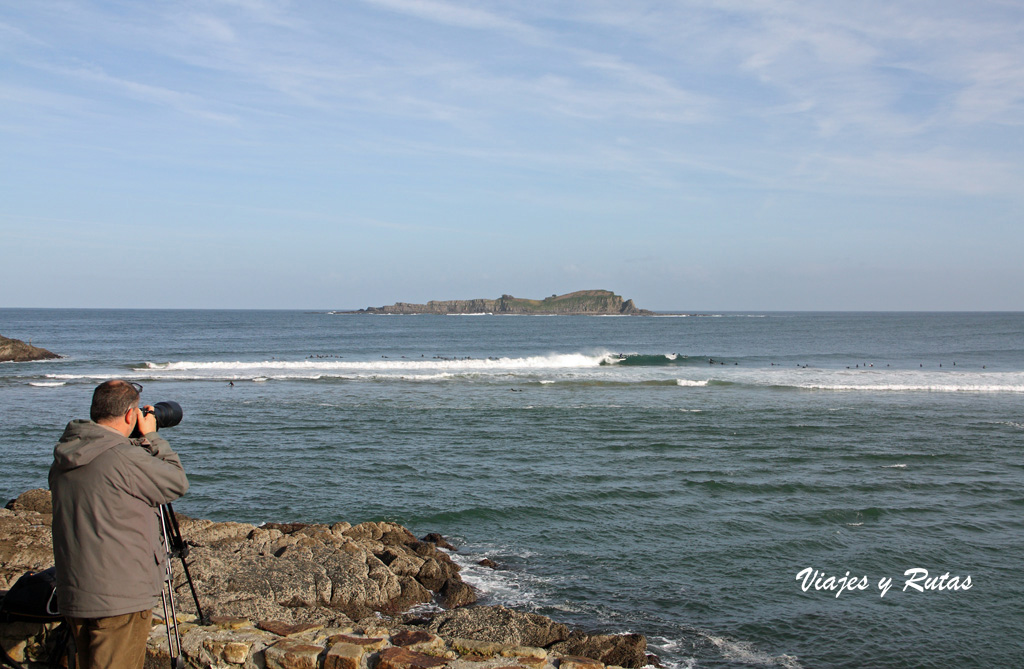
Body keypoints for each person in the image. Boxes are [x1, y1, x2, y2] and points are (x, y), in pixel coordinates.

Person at [49, 380, 189, 669]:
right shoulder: (124, 457)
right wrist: (152, 438)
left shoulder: (66, 454)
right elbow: (176, 482)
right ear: (129, 415)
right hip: (121, 598)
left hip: (77, 591)